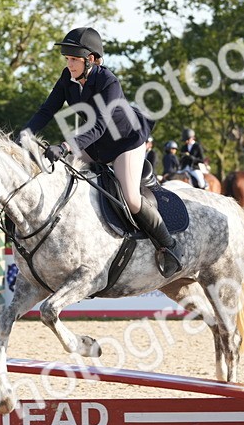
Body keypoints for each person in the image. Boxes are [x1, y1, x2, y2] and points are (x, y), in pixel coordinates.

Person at [24, 26, 180, 275]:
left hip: (124, 143)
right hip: (94, 144)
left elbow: (98, 125)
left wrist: (65, 146)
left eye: (74, 59)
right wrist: (23, 136)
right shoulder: (68, 78)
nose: (69, 64)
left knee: (130, 198)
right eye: (67, 59)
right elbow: (46, 111)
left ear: (92, 60)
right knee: (61, 174)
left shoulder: (109, 82)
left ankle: (169, 246)